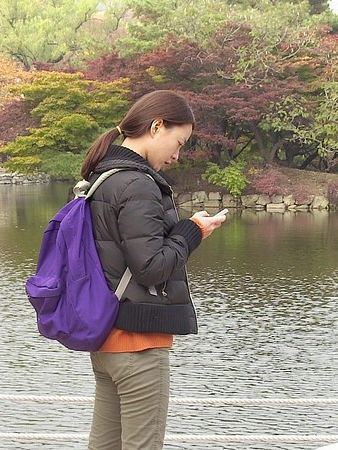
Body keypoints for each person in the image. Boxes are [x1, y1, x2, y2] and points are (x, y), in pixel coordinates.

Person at [81, 90, 226, 450]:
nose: (176, 156)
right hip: (139, 346)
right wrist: (193, 231)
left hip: (106, 340)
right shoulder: (138, 183)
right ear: (157, 126)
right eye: (178, 143)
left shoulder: (102, 177)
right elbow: (151, 267)